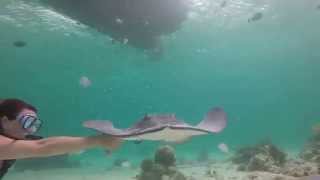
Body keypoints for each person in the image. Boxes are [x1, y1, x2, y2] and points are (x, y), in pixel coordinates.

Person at [0, 98, 121, 179]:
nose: (30, 130)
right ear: (5, 121)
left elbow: (49, 145)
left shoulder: (15, 139)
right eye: (27, 122)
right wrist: (98, 141)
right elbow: (42, 147)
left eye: (35, 125)